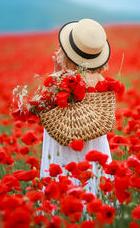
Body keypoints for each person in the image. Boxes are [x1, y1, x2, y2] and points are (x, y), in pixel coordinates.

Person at [39, 19, 113, 195]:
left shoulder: (58, 83)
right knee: (93, 188)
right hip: (94, 148)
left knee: (65, 190)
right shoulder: (102, 84)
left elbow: (44, 112)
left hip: (63, 148)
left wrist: (56, 74)